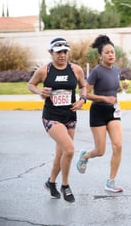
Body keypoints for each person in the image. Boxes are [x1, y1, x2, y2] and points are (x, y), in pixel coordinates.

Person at [27, 37, 87, 203]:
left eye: (65, 51)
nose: (62, 55)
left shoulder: (76, 69)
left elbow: (83, 85)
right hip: (51, 116)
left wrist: (82, 100)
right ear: (51, 52)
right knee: (69, 150)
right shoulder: (44, 71)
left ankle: (51, 182)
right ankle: (65, 185)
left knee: (61, 154)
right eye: (58, 52)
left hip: (70, 115)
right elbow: (30, 84)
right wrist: (39, 91)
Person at [76, 34, 128, 193]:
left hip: (113, 111)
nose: (111, 55)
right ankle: (85, 156)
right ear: (100, 55)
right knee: (100, 151)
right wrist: (104, 98)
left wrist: (122, 88)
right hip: (98, 111)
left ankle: (110, 181)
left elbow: (113, 89)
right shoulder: (96, 72)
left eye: (112, 52)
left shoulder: (117, 70)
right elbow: (86, 94)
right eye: (107, 52)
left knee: (118, 146)